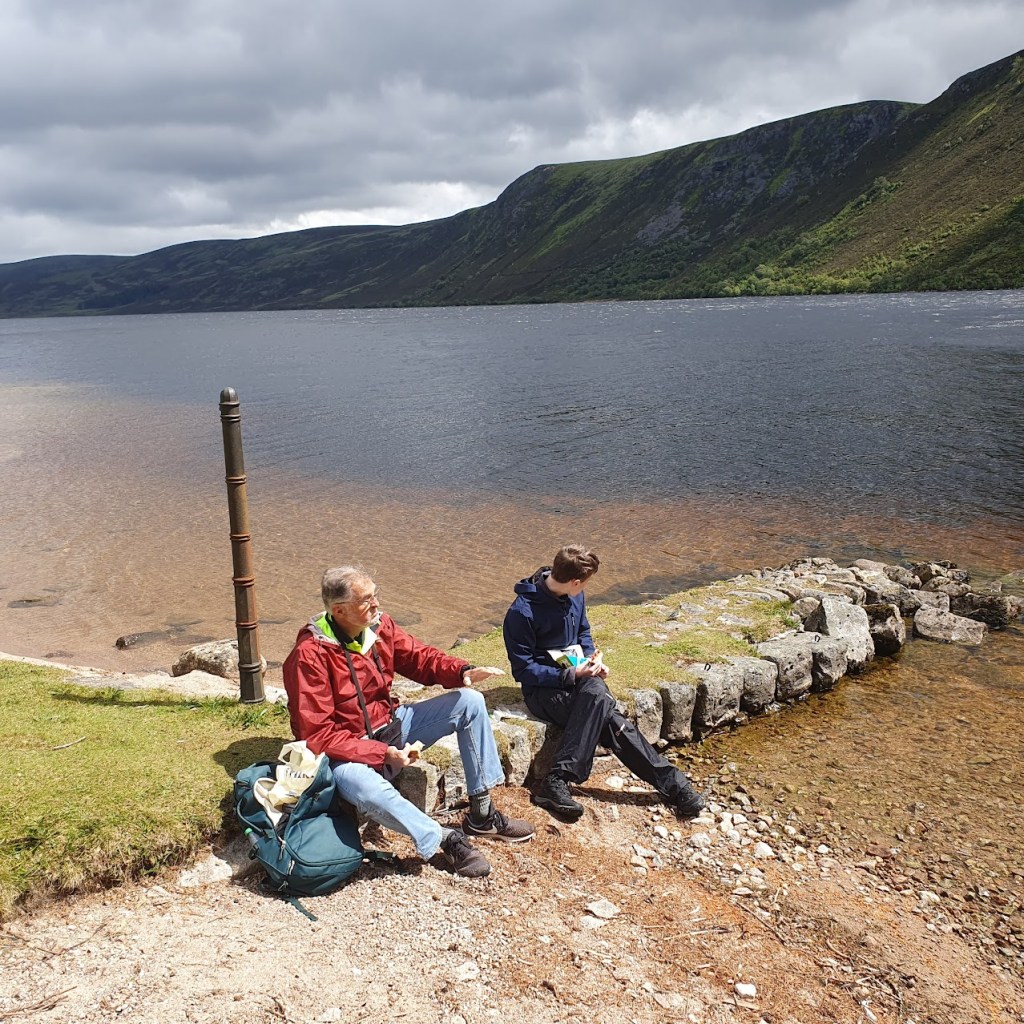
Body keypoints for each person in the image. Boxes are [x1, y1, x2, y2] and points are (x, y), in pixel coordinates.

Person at [283, 565, 535, 878]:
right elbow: (317, 734)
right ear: (339, 610)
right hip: (346, 750)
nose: (377, 605)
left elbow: (419, 657)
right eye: (367, 601)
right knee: (364, 785)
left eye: (376, 595)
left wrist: (462, 671)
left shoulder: (379, 626)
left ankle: (482, 814)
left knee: (469, 701)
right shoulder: (309, 655)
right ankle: (443, 838)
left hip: (391, 724)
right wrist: (380, 754)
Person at [502, 544, 705, 822]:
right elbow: (523, 669)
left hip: (579, 681)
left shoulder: (575, 596)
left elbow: (583, 633)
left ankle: (558, 780)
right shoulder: (521, 613)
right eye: (585, 582)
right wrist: (571, 675)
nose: (585, 587)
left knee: (598, 699)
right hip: (543, 692)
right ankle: (676, 786)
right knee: (602, 702)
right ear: (575, 581)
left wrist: (591, 660)